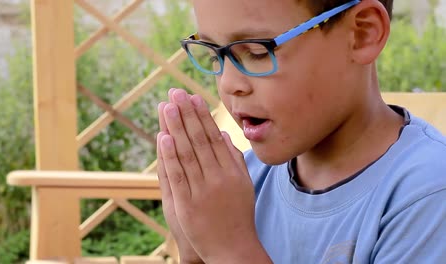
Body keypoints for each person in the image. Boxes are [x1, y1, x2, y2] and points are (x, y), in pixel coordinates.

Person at [156, 0, 446, 263]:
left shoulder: (427, 195)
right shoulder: (240, 186)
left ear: (361, 33)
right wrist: (195, 252)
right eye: (213, 56)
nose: (229, 83)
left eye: (257, 52)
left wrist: (230, 251)